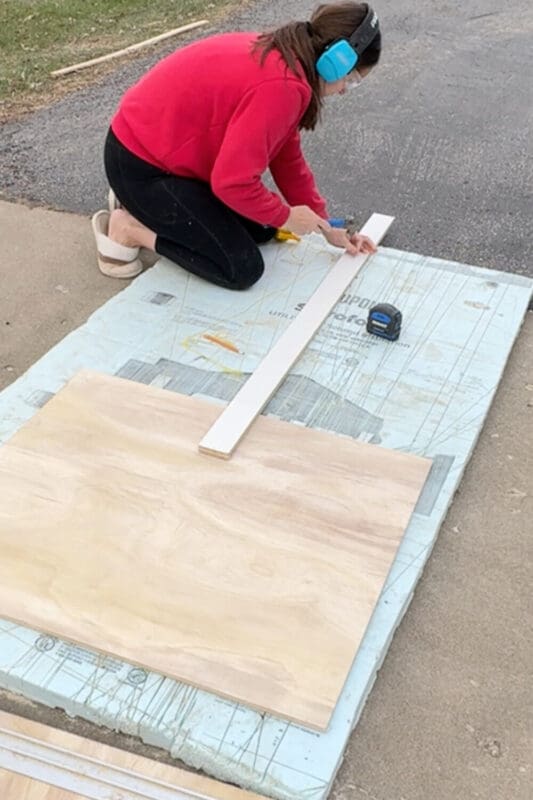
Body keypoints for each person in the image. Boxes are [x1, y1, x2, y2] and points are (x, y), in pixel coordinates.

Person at [92, 2, 382, 288]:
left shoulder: (288, 59)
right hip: (140, 167)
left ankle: (142, 205)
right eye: (352, 80)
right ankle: (130, 228)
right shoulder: (282, 87)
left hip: (165, 159)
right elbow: (232, 184)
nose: (345, 91)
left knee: (265, 228)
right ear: (336, 62)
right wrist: (288, 217)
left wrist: (325, 226)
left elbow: (287, 159)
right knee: (241, 268)